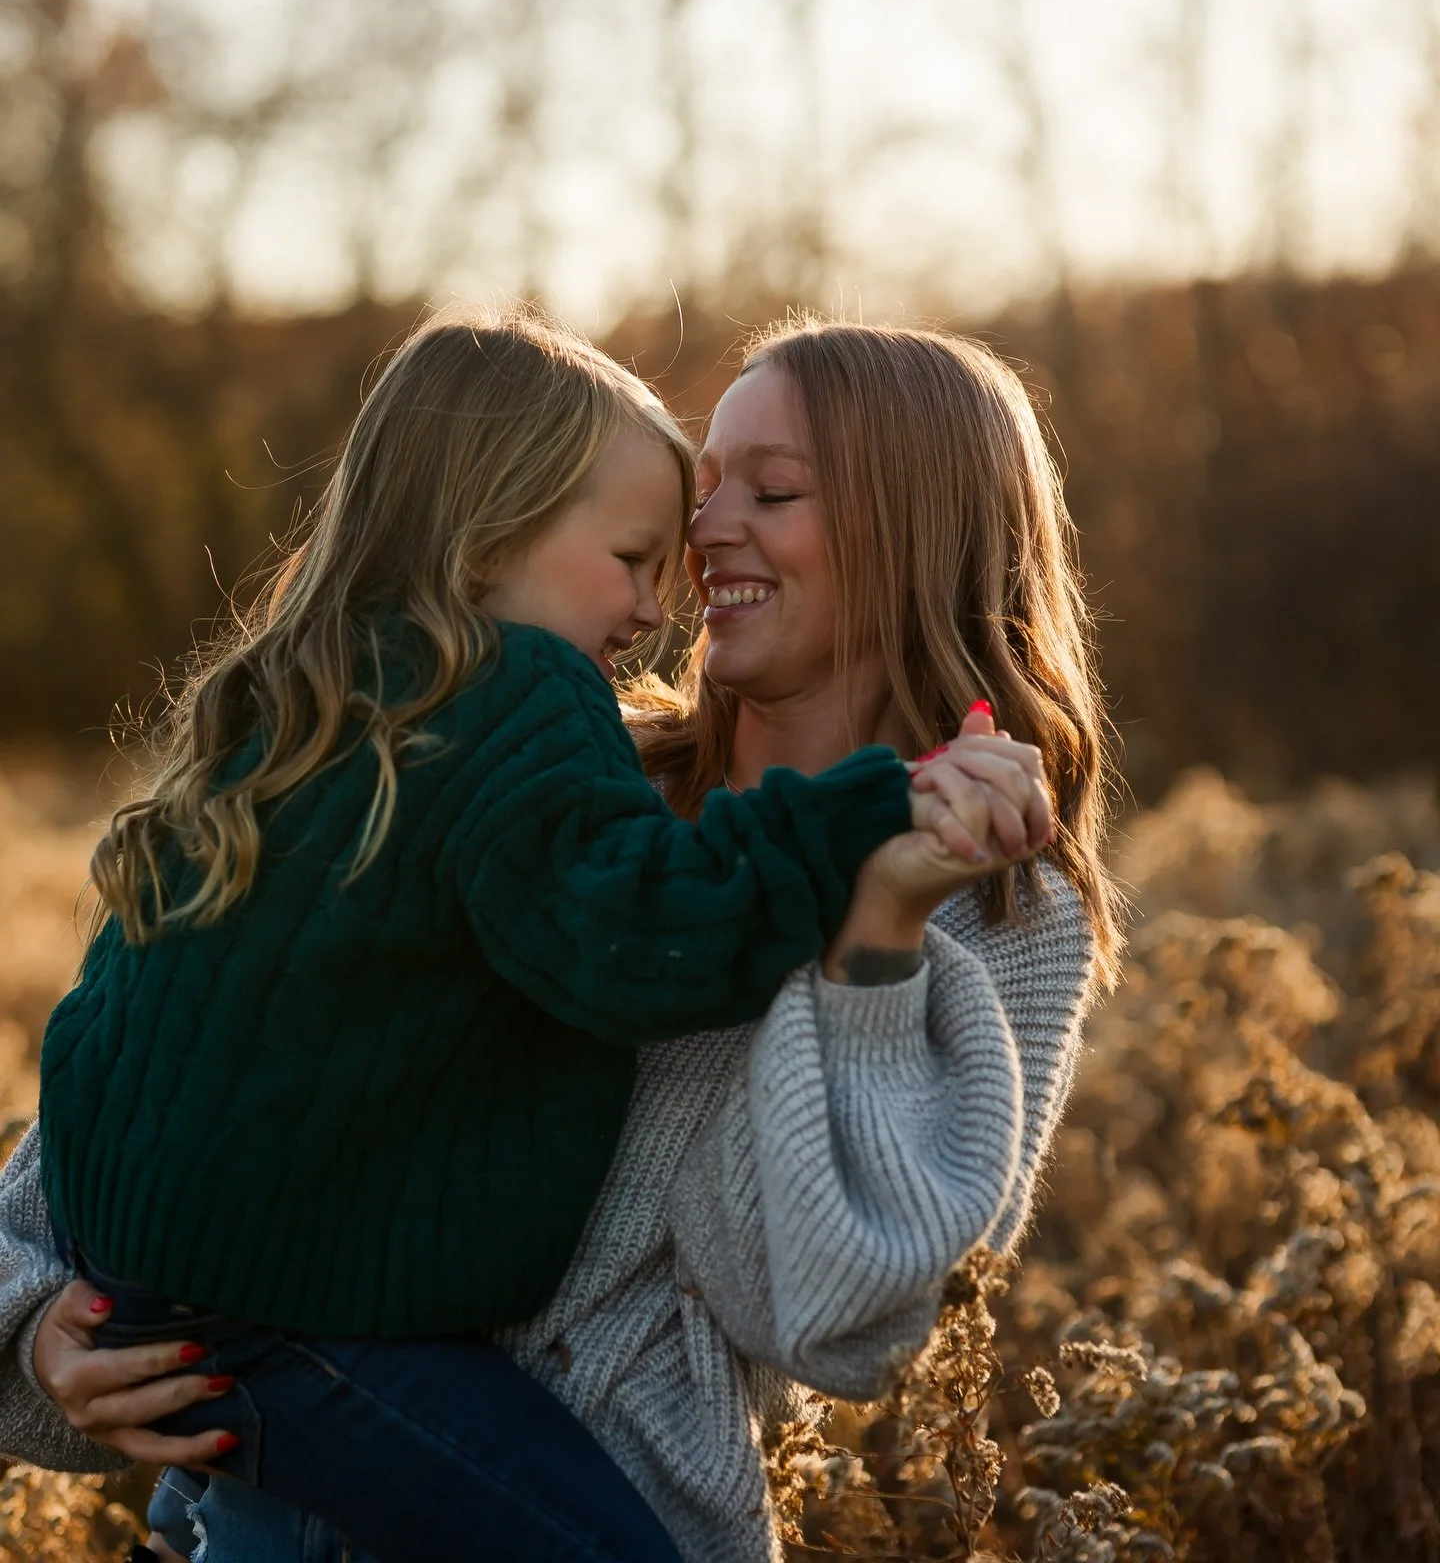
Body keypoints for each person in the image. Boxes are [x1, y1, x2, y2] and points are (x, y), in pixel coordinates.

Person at [0, 318, 1105, 1563]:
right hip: (250, 1509)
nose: (704, 531)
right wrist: (39, 1327)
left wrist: (873, 938)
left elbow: (829, 1312)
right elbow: (182, 1072)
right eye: (700, 489)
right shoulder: (539, 761)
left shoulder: (1001, 913)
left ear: (921, 535)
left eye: (773, 489)